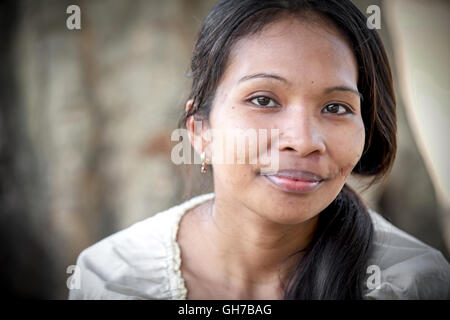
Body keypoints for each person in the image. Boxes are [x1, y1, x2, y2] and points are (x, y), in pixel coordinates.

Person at [68, 0, 450, 300]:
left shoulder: (411, 282)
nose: (302, 141)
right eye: (264, 100)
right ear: (200, 130)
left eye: (336, 108)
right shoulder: (116, 278)